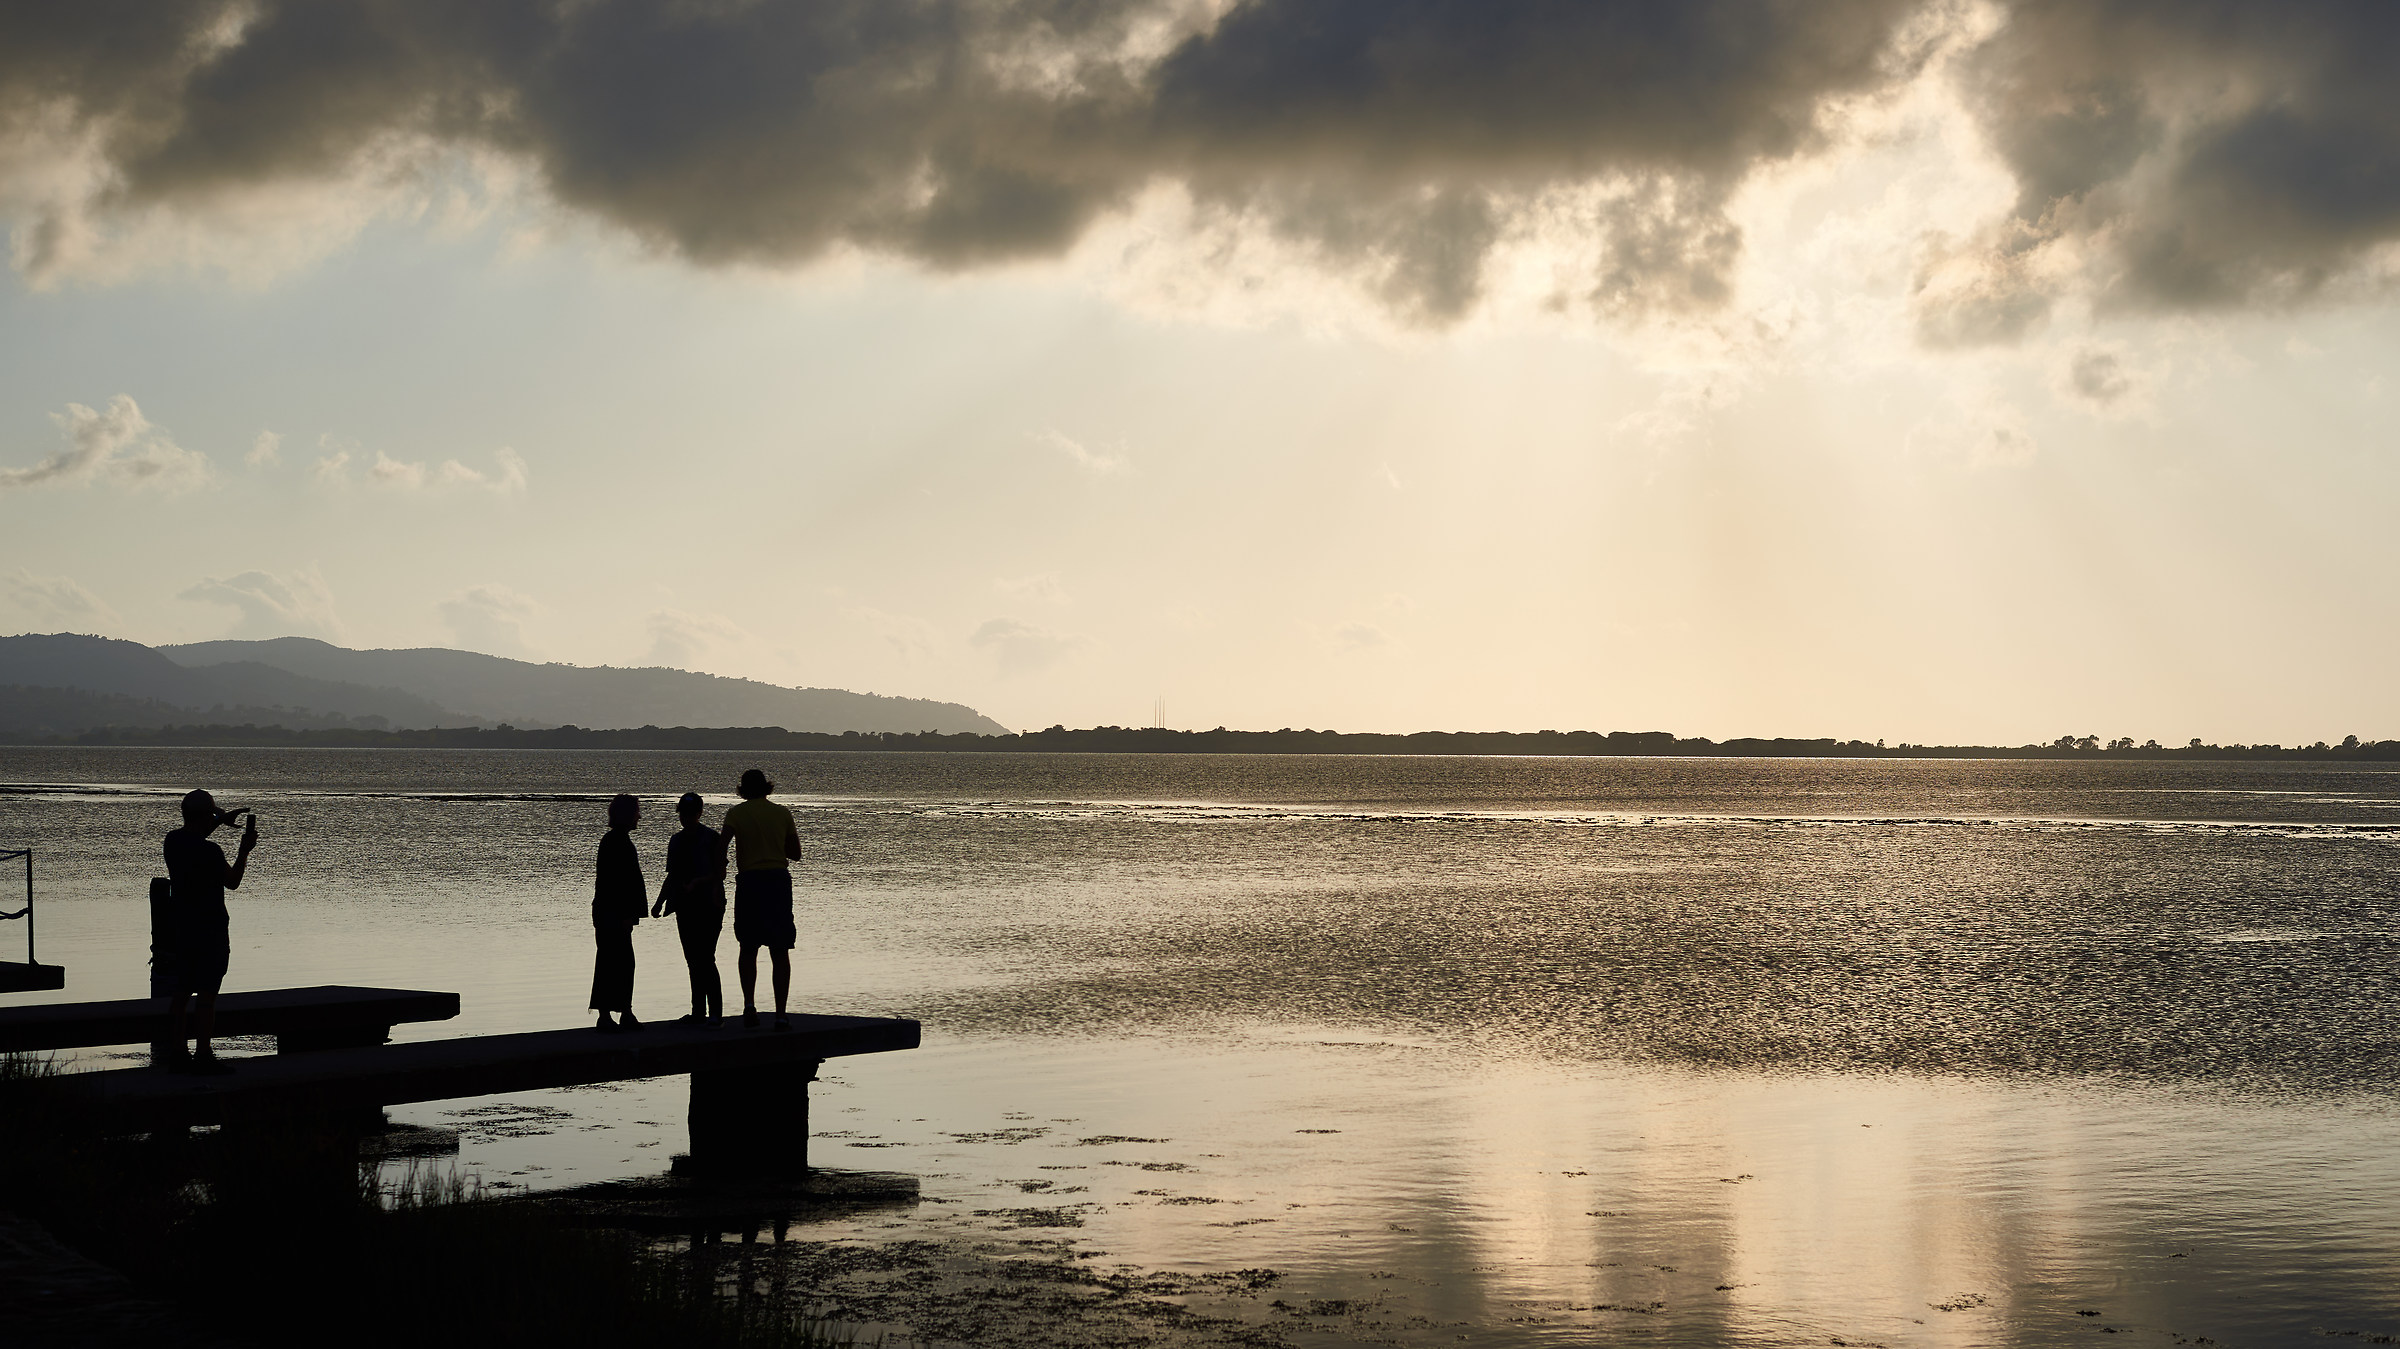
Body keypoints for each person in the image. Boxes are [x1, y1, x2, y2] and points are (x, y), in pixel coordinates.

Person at [157, 789, 259, 1075]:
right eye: (212, 813)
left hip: (183, 929)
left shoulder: (172, 841)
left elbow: (196, 831)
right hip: (211, 931)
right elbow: (233, 881)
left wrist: (219, 818)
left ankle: (178, 1053)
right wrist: (244, 850)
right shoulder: (211, 852)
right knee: (207, 997)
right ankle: (203, 1054)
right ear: (205, 816)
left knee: (181, 993)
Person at [720, 768, 801, 1030]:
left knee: (748, 946)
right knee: (780, 949)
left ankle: (749, 1006)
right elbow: (796, 853)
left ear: (742, 790)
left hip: (750, 882)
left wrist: (720, 867)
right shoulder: (782, 813)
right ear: (767, 788)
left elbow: (721, 846)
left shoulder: (736, 814)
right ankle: (780, 1013)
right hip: (777, 882)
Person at [653, 791, 727, 1023]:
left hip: (710, 905)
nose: (685, 817)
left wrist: (698, 882)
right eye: (682, 814)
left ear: (699, 813)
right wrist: (659, 901)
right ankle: (698, 1012)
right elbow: (672, 875)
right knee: (693, 959)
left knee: (706, 958)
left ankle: (715, 1013)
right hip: (684, 907)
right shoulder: (676, 840)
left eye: (689, 813)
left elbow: (720, 873)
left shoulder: (712, 838)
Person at [591, 793, 646, 1033]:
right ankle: (617, 1012)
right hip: (613, 913)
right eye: (636, 812)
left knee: (614, 961)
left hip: (608, 912)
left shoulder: (614, 840)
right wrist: (626, 914)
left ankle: (619, 1011)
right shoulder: (617, 842)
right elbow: (618, 883)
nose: (639, 817)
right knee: (619, 962)